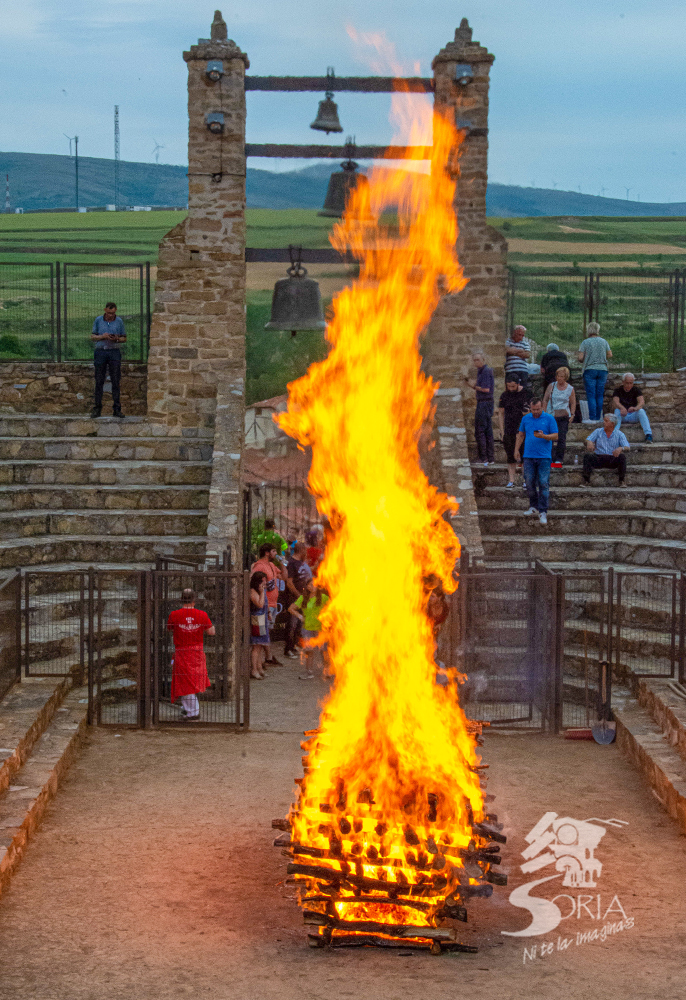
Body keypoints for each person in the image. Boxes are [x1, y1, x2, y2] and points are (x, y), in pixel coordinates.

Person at [166, 588, 215, 720]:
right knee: (192, 681)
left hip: (182, 651)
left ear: (181, 599)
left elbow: (169, 628)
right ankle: (189, 709)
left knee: (183, 681)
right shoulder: (202, 614)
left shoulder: (174, 614)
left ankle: (192, 711)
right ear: (194, 601)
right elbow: (211, 632)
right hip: (197, 651)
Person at [514, 398, 558, 526]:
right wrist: (516, 450)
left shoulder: (549, 418)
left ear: (542, 407)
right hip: (528, 455)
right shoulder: (526, 419)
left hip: (544, 456)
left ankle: (543, 510)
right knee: (528, 481)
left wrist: (544, 436)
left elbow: (556, 436)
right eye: (533, 410)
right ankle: (533, 506)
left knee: (543, 483)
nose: (536, 412)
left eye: (538, 409)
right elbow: (521, 434)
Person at [91, 301, 126, 419]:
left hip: (114, 351)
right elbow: (92, 336)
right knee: (99, 380)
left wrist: (116, 339)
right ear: (105, 310)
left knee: (116, 380)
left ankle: (117, 409)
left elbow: (124, 338)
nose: (111, 315)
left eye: (113, 313)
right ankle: (97, 408)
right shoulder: (98, 320)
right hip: (101, 351)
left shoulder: (119, 321)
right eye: (110, 313)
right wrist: (103, 336)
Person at [251, 542, 284, 666]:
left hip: (273, 604)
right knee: (263, 633)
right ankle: (267, 658)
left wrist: (282, 562)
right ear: (267, 553)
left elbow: (284, 576)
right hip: (264, 604)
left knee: (267, 631)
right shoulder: (259, 565)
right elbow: (253, 580)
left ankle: (267, 659)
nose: (276, 554)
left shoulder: (271, 564)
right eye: (274, 551)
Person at [288, 579, 329, 680]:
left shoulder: (323, 598)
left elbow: (333, 608)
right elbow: (291, 608)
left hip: (321, 628)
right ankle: (309, 672)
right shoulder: (303, 598)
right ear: (307, 586)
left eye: (315, 584)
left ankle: (327, 671)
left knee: (324, 651)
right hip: (307, 628)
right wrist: (299, 616)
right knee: (309, 651)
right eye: (310, 584)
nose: (312, 586)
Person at [498, 374, 531, 488]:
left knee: (524, 456)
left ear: (518, 384)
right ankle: (511, 480)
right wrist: (502, 431)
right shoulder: (504, 395)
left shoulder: (527, 394)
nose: (511, 389)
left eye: (513, 386)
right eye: (509, 386)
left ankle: (525, 480)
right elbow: (501, 413)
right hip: (509, 429)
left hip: (523, 430)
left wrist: (527, 414)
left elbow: (535, 410)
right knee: (510, 456)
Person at [578, 322, 612, 422]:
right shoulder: (604, 341)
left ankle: (593, 418)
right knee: (599, 395)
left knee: (591, 395)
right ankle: (599, 417)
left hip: (590, 370)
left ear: (588, 330)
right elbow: (609, 354)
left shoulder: (585, 342)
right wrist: (601, 357)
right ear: (598, 330)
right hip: (603, 369)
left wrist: (586, 358)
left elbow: (580, 358)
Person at [465, 351, 495, 466]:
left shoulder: (486, 372)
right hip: (484, 403)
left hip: (484, 403)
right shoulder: (481, 372)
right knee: (487, 430)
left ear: (483, 360)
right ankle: (489, 458)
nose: (475, 362)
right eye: (474, 360)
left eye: (477, 359)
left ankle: (484, 458)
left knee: (481, 430)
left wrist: (473, 386)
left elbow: (486, 389)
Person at [583, 413, 630, 486]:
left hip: (612, 458)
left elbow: (627, 447)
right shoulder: (598, 431)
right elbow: (587, 440)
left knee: (622, 457)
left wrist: (621, 448)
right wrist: (589, 442)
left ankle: (622, 480)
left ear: (612, 423)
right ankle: (586, 481)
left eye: (606, 421)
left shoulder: (619, 434)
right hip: (599, 457)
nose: (603, 422)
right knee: (588, 456)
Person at [542, 367, 576, 469]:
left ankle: (558, 459)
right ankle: (549, 458)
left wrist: (572, 414)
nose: (559, 378)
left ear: (566, 377)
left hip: (563, 416)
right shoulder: (551, 386)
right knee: (550, 438)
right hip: (551, 415)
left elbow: (573, 402)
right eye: (558, 376)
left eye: (562, 376)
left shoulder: (570, 388)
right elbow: (545, 400)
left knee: (561, 438)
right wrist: (544, 413)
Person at [284, 542, 313, 658]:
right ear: (300, 550)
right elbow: (289, 583)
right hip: (293, 599)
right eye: (305, 550)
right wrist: (298, 596)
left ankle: (294, 645)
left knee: (298, 624)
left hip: (303, 597)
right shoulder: (291, 563)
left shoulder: (300, 562)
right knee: (292, 624)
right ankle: (288, 649)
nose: (306, 552)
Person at [612, 372, 653, 442]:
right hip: (622, 415)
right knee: (617, 411)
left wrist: (635, 408)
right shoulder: (618, 390)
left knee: (641, 411)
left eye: (631, 383)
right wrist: (622, 408)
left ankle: (648, 434)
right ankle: (615, 433)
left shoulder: (636, 390)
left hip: (633, 414)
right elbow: (615, 402)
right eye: (627, 383)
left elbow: (642, 402)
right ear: (623, 382)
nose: (629, 385)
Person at [249, 571, 270, 678]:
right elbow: (260, 604)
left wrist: (269, 613)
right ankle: (254, 669)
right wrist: (262, 592)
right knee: (256, 646)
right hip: (257, 620)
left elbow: (266, 604)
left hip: (263, 619)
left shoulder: (261, 590)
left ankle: (259, 667)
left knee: (261, 645)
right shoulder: (253, 592)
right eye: (263, 580)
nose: (265, 582)